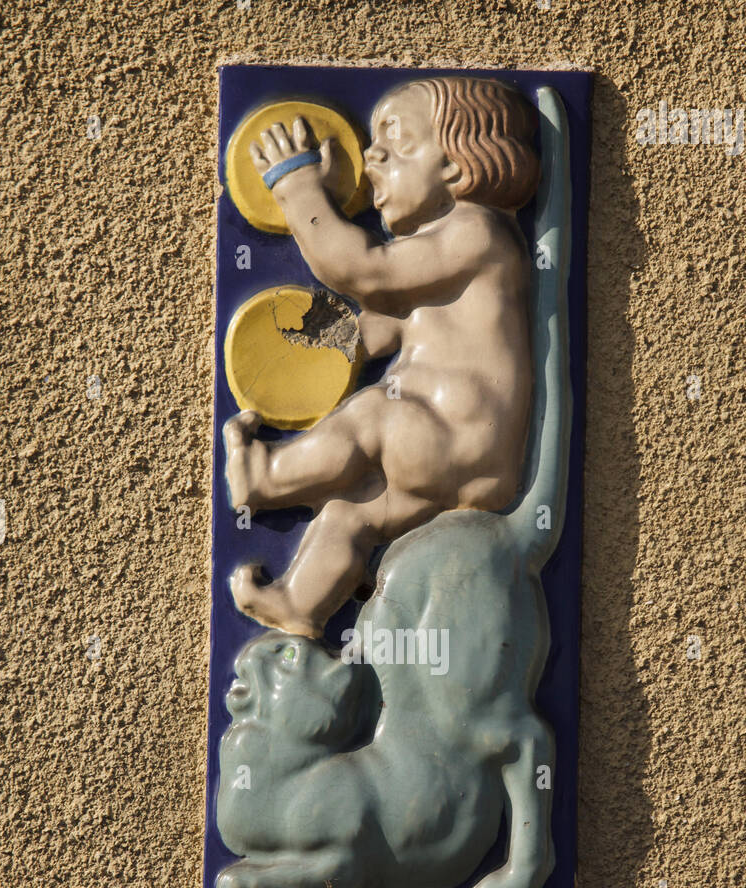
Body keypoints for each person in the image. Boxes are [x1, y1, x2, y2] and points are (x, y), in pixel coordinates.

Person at [224, 76, 541, 638]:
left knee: (374, 414)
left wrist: (297, 189)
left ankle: (267, 476)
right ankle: (302, 603)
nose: (372, 156)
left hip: (447, 434)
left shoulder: (476, 230)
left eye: (396, 143)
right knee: (354, 514)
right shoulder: (451, 263)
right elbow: (383, 330)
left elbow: (366, 271)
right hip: (468, 463)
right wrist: (304, 345)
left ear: (456, 166)